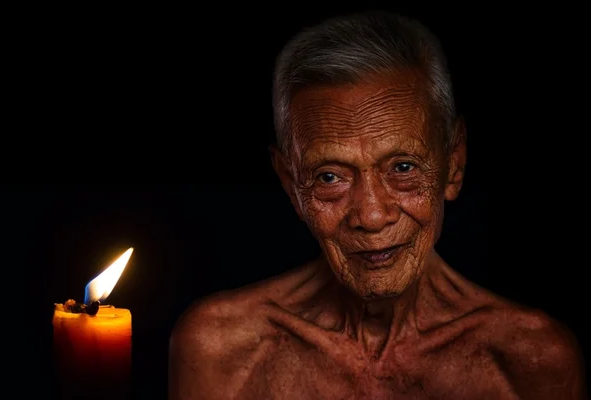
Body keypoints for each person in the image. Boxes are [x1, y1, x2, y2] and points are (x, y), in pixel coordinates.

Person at [169, 11, 587, 400]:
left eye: (403, 167)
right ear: (290, 182)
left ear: (453, 164)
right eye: (330, 176)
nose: (371, 216)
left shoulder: (530, 362)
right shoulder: (223, 349)